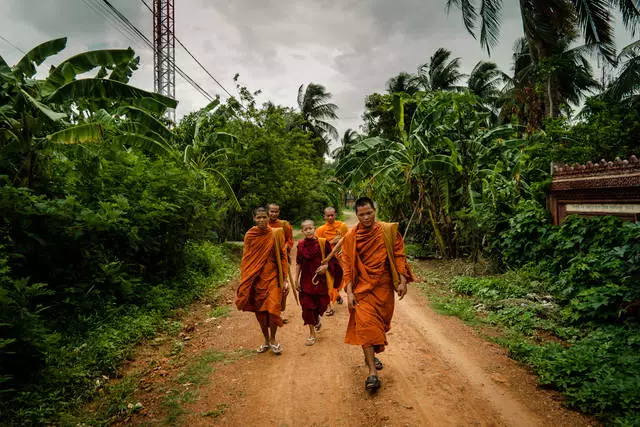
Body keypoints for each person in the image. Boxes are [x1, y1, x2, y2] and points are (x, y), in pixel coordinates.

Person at [342, 197, 414, 391]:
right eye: (361, 214)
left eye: (369, 213)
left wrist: (402, 279)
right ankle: (372, 373)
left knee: (379, 326)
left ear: (375, 211)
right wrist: (349, 291)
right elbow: (347, 265)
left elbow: (399, 254)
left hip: (383, 288)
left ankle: (371, 355)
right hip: (361, 289)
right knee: (366, 326)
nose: (366, 217)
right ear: (356, 215)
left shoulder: (388, 230)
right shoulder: (350, 237)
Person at [235, 207, 289, 355]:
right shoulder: (250, 235)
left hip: (272, 277)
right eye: (258, 218)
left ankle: (273, 339)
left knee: (273, 309)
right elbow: (246, 259)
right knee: (261, 314)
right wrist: (246, 280)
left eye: (264, 217)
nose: (262, 220)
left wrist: (284, 279)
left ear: (268, 218)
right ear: (254, 219)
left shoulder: (276, 233)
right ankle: (266, 340)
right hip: (256, 279)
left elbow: (283, 257)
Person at [294, 220, 343, 346]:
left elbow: (331, 260)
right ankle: (311, 334)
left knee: (321, 305)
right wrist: (296, 279)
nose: (309, 231)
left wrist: (326, 267)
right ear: (302, 232)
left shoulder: (322, 243)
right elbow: (298, 263)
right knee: (307, 307)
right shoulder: (300, 245)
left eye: (310, 228)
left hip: (320, 282)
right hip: (306, 281)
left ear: (314, 229)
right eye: (306, 229)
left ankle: (317, 319)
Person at [315, 206, 349, 314]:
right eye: (328, 215)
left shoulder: (342, 226)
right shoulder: (320, 230)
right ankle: (328, 307)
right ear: (324, 216)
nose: (330, 217)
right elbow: (318, 246)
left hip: (340, 259)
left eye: (332, 215)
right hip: (327, 260)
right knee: (328, 281)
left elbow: (348, 240)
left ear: (335, 215)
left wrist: (343, 250)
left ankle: (337, 294)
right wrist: (332, 241)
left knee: (339, 281)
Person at [267, 203, 294, 322]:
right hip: (267, 262)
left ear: (279, 212)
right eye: (271, 211)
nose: (274, 214)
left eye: (276, 211)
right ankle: (272, 313)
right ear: (268, 212)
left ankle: (279, 310)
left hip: (282, 261)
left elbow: (290, 241)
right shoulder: (264, 224)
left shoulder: (284, 225)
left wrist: (283, 248)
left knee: (283, 288)